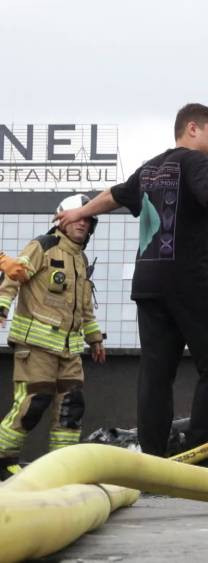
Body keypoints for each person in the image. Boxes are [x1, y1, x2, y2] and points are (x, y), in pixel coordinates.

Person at [55, 103, 208, 458]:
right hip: (186, 278)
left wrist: (79, 210)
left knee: (157, 373)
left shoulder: (150, 167)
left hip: (148, 282)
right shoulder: (195, 162)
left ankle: (154, 461)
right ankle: (200, 453)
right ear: (192, 129)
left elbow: (115, 195)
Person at [0, 195, 106, 480]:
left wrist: (95, 338)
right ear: (61, 218)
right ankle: (2, 459)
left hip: (70, 351)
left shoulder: (81, 259)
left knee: (71, 408)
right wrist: (1, 308)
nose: (83, 223)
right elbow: (12, 278)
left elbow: (84, 306)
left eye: (88, 219)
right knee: (32, 404)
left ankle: (63, 469)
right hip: (35, 348)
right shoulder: (42, 246)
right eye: (77, 217)